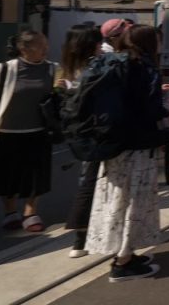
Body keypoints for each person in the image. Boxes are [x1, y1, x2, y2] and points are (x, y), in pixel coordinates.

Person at [84, 24, 168, 281]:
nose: (161, 45)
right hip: (138, 145)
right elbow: (148, 108)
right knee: (134, 202)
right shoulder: (143, 67)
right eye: (158, 40)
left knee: (117, 200)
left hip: (113, 145)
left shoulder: (114, 62)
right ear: (148, 43)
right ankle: (123, 263)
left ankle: (124, 252)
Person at [0, 30, 57, 233]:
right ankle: (10, 212)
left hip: (38, 132)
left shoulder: (53, 69)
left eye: (45, 45)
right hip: (7, 133)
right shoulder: (4, 69)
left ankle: (30, 213)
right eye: (41, 46)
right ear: (24, 49)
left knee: (35, 177)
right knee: (7, 176)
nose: (45, 49)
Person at [60, 24, 105, 257]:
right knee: (93, 181)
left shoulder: (67, 68)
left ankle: (82, 236)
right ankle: (82, 235)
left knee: (86, 178)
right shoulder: (95, 67)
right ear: (93, 44)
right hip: (97, 131)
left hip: (77, 132)